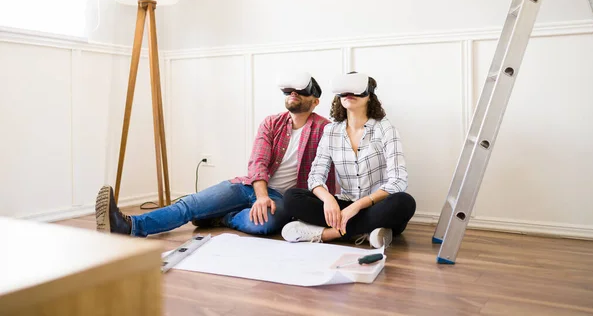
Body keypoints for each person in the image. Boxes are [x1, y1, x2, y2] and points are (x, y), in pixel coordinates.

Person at [95, 72, 336, 237]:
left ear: (315, 102)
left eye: (300, 92)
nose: (293, 93)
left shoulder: (325, 129)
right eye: (289, 91)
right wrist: (261, 196)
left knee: (269, 224)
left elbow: (328, 173)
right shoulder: (271, 123)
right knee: (189, 205)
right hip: (248, 186)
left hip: (283, 199)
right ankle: (129, 225)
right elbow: (258, 163)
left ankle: (224, 218)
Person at [281, 72, 416, 248]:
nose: (349, 94)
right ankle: (366, 231)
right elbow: (315, 177)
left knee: (404, 203)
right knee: (292, 197)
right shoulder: (331, 131)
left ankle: (329, 234)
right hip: (344, 204)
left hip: (376, 205)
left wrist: (358, 206)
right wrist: (329, 199)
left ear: (369, 95)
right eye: (344, 91)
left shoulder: (385, 128)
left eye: (356, 89)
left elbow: (398, 181)